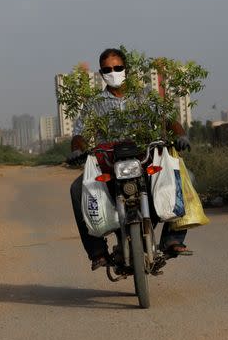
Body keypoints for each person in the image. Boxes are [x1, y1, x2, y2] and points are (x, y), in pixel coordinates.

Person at [68, 47, 192, 270]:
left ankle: (173, 238)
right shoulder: (94, 104)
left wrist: (180, 135)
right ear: (101, 73)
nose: (113, 72)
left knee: (183, 176)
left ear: (126, 69)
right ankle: (96, 251)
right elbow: (79, 133)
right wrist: (78, 149)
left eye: (118, 67)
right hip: (109, 162)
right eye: (107, 69)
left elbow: (169, 119)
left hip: (144, 157)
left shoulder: (145, 97)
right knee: (77, 190)